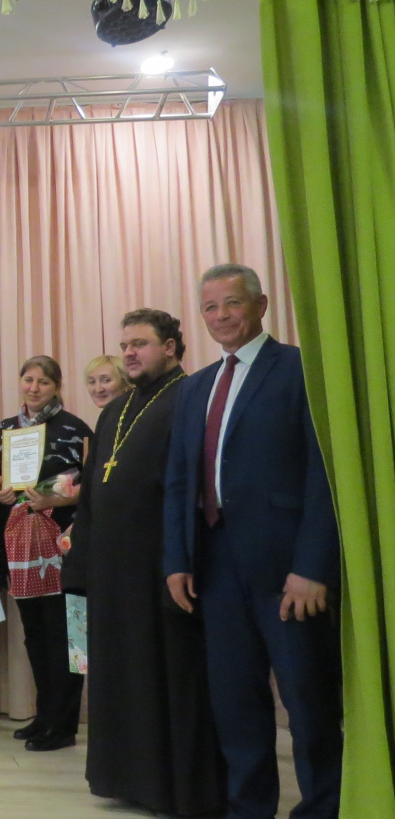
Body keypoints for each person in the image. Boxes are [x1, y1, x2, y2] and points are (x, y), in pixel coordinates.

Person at [165, 264, 342, 819]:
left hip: (288, 573)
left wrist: (313, 567)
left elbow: (325, 474)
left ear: (261, 305)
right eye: (210, 307)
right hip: (214, 570)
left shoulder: (301, 370)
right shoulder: (194, 387)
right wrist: (176, 560)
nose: (221, 316)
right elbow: (179, 481)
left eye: (232, 303)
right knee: (235, 702)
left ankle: (324, 807)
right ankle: (249, 808)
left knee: (308, 701)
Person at [75, 310, 226, 816]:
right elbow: (92, 492)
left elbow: (197, 488)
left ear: (170, 347)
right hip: (112, 569)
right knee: (121, 673)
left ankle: (175, 789)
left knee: (169, 675)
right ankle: (127, 780)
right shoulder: (114, 411)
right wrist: (83, 563)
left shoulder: (191, 397)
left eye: (139, 344)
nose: (129, 354)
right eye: (125, 346)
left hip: (163, 566)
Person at [0, 356, 92, 752]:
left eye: (43, 382)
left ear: (56, 387)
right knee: (35, 634)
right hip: (21, 545)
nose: (34, 388)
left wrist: (57, 498)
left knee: (67, 634)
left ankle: (64, 725)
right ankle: (45, 715)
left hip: (65, 544)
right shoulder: (5, 429)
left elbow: (95, 486)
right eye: (28, 380)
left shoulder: (75, 429)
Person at [60, 354, 133, 594]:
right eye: (92, 382)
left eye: (106, 380)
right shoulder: (107, 420)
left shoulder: (134, 420)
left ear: (125, 382)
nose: (98, 388)